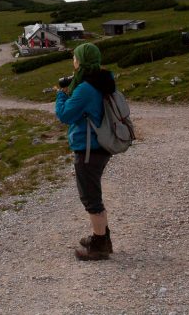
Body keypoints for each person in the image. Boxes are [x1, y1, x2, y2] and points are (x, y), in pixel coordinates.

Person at [55, 42, 118, 260]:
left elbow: (65, 115)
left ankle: (99, 246)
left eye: (75, 57)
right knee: (93, 193)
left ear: (81, 61)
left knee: (91, 197)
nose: (73, 61)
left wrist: (61, 94)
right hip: (101, 146)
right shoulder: (103, 80)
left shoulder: (85, 88)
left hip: (89, 149)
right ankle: (102, 237)